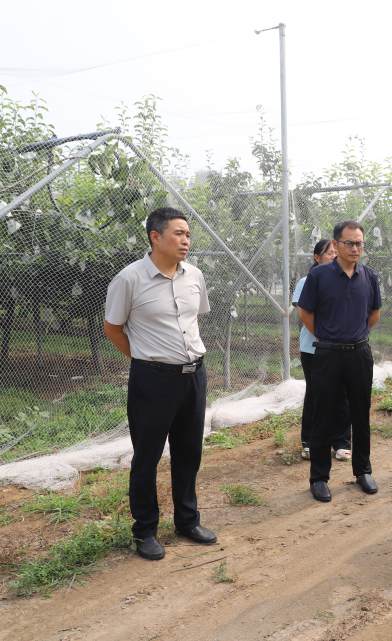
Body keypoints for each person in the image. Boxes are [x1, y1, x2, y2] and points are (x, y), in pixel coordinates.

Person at [103, 207, 216, 561]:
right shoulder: (129, 279)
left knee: (189, 452)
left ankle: (187, 521)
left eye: (188, 235)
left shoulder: (194, 275)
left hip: (194, 376)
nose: (186, 241)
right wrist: (145, 359)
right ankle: (145, 530)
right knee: (147, 457)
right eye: (179, 233)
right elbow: (113, 329)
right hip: (152, 381)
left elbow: (192, 319)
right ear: (155, 236)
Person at [297, 220, 382, 503]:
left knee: (360, 413)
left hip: (359, 354)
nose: (355, 248)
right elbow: (305, 313)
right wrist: (327, 337)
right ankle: (319, 478)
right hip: (327, 354)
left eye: (359, 243)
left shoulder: (369, 276)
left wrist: (354, 335)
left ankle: (363, 471)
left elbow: (374, 314)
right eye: (349, 243)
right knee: (323, 415)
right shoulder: (319, 275)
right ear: (336, 244)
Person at [292, 239, 351, 461]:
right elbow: (304, 313)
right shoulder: (306, 281)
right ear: (317, 258)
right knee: (315, 394)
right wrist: (323, 336)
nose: (334, 256)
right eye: (329, 253)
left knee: (341, 393)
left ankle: (341, 442)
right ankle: (310, 442)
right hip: (313, 348)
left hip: (341, 347)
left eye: (336, 252)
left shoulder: (345, 279)